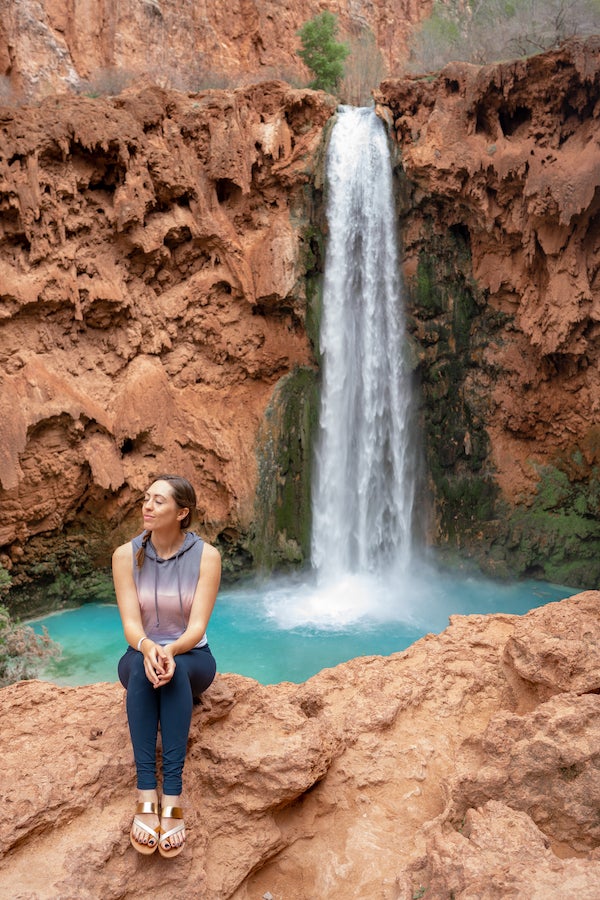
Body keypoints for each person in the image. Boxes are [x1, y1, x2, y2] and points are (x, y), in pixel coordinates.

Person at [112, 473, 221, 857]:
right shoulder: (125, 555)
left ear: (182, 512)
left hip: (192, 654)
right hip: (138, 649)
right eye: (146, 498)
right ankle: (146, 791)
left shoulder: (207, 556)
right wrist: (147, 648)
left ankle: (171, 794)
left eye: (159, 501)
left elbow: (197, 627)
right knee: (143, 674)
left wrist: (171, 651)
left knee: (175, 678)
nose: (147, 505)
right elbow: (130, 626)